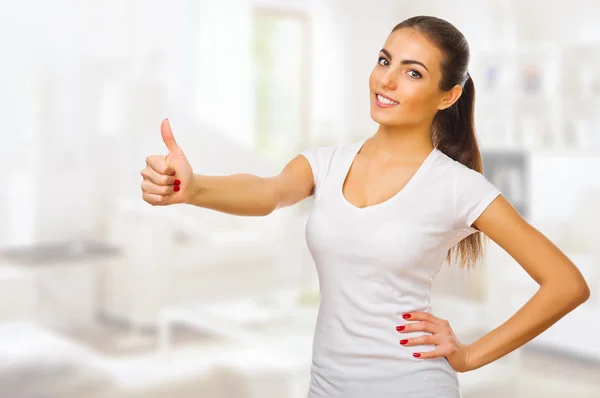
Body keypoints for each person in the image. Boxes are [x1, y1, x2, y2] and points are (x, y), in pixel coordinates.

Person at [140, 15, 590, 398]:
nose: (387, 80)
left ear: (448, 96)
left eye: (413, 73)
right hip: (327, 384)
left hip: (412, 384)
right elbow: (269, 192)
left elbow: (565, 283)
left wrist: (470, 355)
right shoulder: (326, 162)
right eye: (384, 60)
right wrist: (195, 188)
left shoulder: (458, 187)